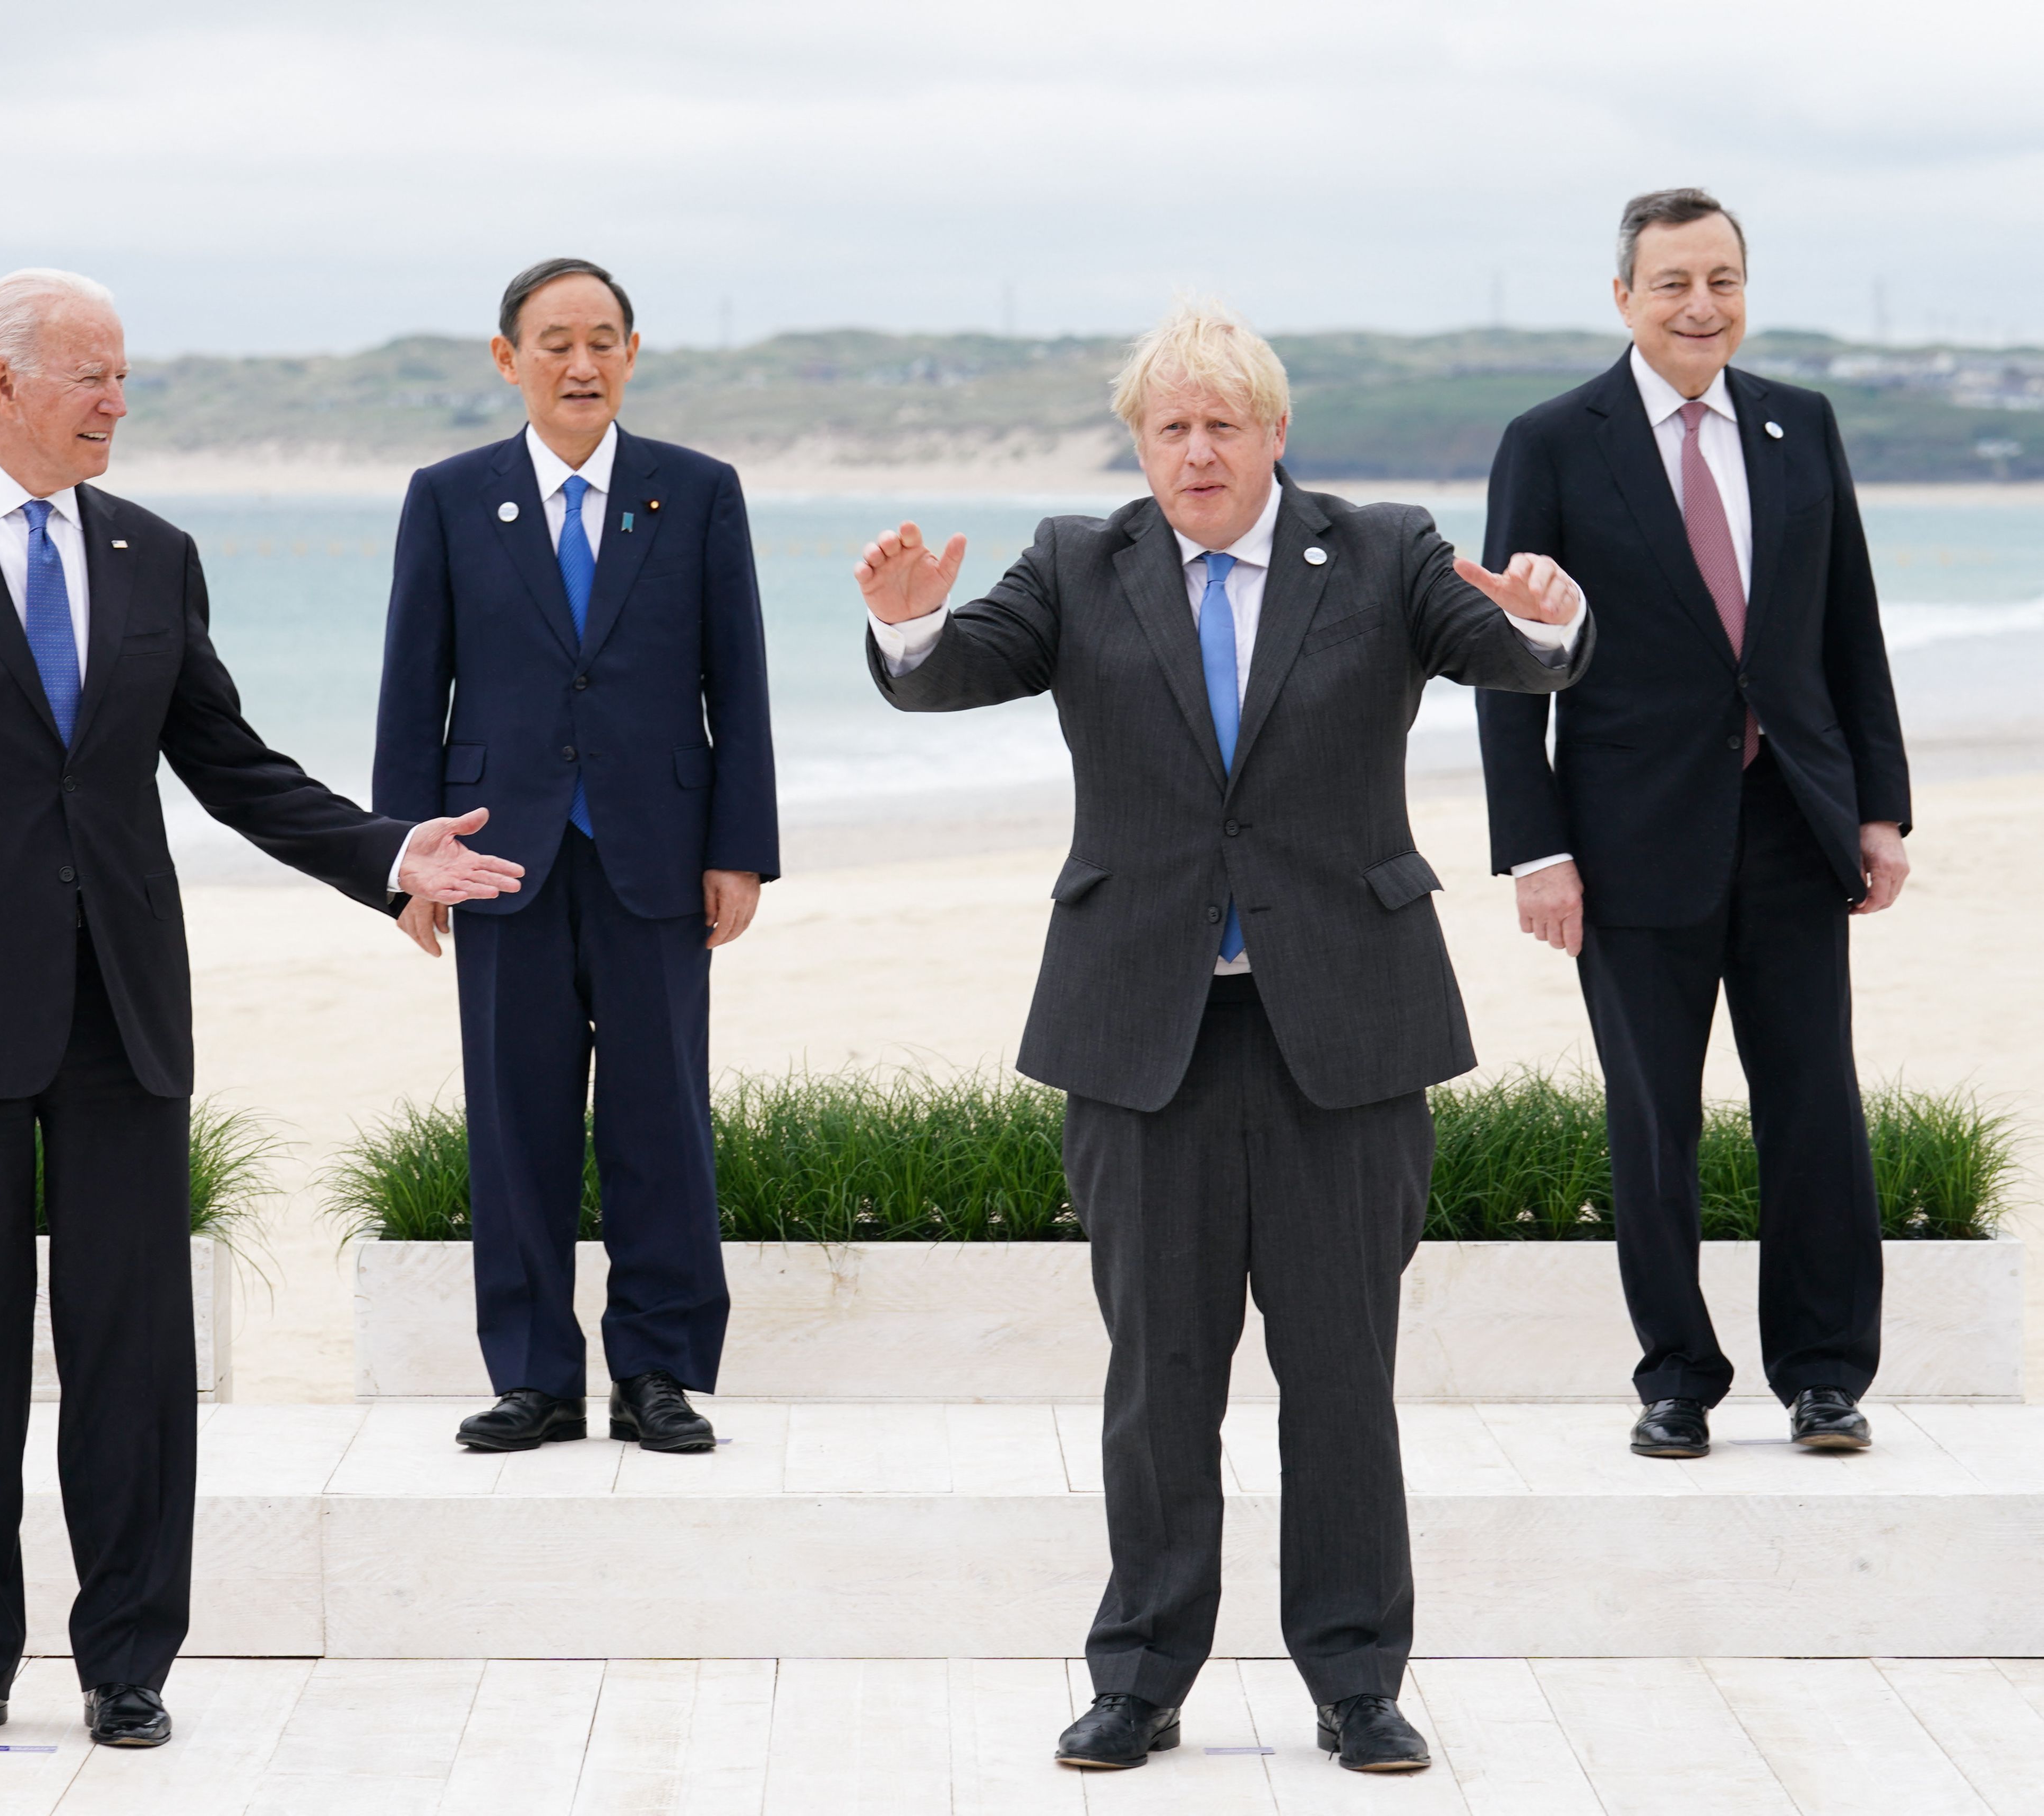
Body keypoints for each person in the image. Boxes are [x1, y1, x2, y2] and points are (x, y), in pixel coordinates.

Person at [0, 270, 523, 1749]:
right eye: (93, 375)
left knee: (130, 1344)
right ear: (3, 382)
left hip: (120, 995)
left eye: (123, 375)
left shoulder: (154, 551)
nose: (117, 401)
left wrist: (389, 851)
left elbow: (231, 759)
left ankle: (128, 1655)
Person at [858, 299, 1591, 1775]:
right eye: (1168, 427)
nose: (1195, 451)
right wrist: (903, 619)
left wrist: (1547, 615)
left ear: (1274, 433)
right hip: (1142, 1028)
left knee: (1340, 1372)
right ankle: (1136, 1674)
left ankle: (1354, 1680)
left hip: (1346, 1027)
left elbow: (1513, 658)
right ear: (1140, 441)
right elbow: (953, 670)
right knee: (1159, 1373)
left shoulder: (1380, 547)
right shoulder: (1078, 560)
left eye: (1222, 423)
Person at [1476, 188, 1911, 1460]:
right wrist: (1536, 847)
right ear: (1623, 298)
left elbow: (1849, 631)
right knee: (1653, 1118)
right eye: (1672, 283)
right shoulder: (1553, 441)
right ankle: (1676, 1378)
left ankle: (1824, 1375)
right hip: (1627, 838)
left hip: (1792, 820)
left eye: (1720, 279)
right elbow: (1511, 653)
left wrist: (1878, 810)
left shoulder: (1798, 423)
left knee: (1814, 1108)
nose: (1698, 305)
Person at [372, 257, 778, 1456]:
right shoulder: (448, 496)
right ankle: (535, 1375)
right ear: (508, 360)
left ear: (633, 354)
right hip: (498, 858)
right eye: (554, 342)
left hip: (657, 852)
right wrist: (405, 857)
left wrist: (740, 849)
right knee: (515, 1125)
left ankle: (657, 1370)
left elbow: (738, 683)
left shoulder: (696, 493)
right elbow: (413, 684)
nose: (580, 363)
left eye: (602, 340)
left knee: (661, 1124)